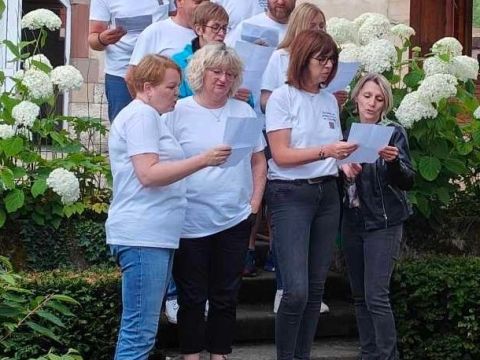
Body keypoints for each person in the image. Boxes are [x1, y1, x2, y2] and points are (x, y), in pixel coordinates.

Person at [106, 54, 231, 360]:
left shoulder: (148, 116)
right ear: (147, 87)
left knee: (142, 332)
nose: (178, 92)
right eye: (171, 87)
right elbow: (148, 173)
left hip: (153, 235)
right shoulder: (142, 116)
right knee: (139, 333)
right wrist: (203, 160)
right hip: (142, 235)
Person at [163, 43, 267, 360]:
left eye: (229, 74)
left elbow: (259, 162)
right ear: (200, 73)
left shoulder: (244, 111)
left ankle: (220, 354)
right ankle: (191, 354)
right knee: (192, 295)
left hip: (234, 218)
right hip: (190, 220)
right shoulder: (178, 112)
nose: (223, 79)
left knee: (226, 295)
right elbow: (164, 162)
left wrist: (253, 204)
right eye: (216, 71)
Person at [265, 30, 357, 360]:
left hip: (326, 194)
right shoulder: (282, 97)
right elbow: (280, 155)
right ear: (303, 59)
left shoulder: (329, 100)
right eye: (322, 60)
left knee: (316, 289)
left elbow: (332, 149)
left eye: (333, 60)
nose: (329, 67)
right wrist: (325, 152)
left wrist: (343, 163)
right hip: (290, 194)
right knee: (296, 291)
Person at [340, 73, 415, 360]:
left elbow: (408, 181)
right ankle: (368, 353)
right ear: (357, 97)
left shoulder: (393, 132)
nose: (372, 103)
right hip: (353, 220)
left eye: (379, 98)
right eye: (367, 96)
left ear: (385, 104)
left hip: (384, 221)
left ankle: (386, 355)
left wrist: (394, 161)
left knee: (376, 296)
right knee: (359, 296)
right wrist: (343, 168)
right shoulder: (345, 131)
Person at [88, 0, 176, 122]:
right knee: (126, 127)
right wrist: (102, 39)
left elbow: (177, 20)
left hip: (161, 73)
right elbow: (93, 41)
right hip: (120, 75)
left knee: (165, 127)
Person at [172, 2, 252, 103]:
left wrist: (244, 97)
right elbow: (173, 101)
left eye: (224, 28)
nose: (221, 33)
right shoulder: (178, 62)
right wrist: (220, 94)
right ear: (199, 29)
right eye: (215, 27)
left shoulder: (233, 60)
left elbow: (248, 99)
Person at [125, 0, 208, 96]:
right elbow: (131, 77)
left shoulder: (215, 32)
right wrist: (146, 107)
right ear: (180, 2)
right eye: (198, 2)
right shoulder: (156, 32)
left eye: (207, 2)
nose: (204, 6)